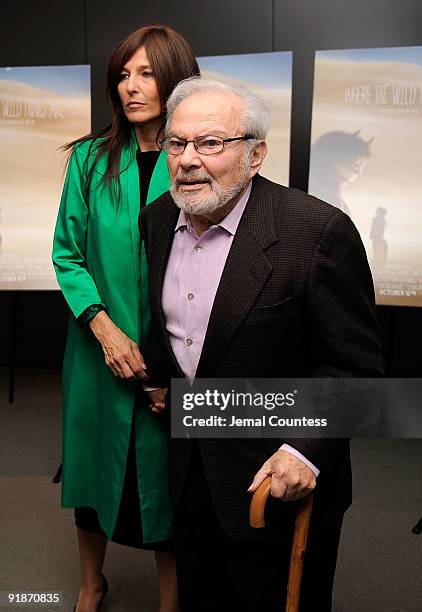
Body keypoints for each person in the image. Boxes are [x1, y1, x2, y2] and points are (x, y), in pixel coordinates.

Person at [139, 78, 384, 612]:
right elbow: (182, 327)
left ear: (256, 155)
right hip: (189, 466)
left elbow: (356, 370)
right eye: (176, 143)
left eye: (211, 143)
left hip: (276, 476)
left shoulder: (317, 231)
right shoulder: (157, 219)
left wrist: (304, 451)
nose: (187, 160)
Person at [52, 25, 199, 612]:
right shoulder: (90, 159)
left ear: (176, 78)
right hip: (96, 347)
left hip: (175, 348)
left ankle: (172, 598)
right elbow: (68, 252)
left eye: (146, 73)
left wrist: (166, 357)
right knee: (89, 470)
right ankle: (92, 584)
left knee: (170, 476)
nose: (130, 87)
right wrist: (104, 329)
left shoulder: (194, 155)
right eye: (122, 74)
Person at [309, 130, 372, 217]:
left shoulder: (333, 197)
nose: (358, 172)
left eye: (362, 167)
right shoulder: (322, 198)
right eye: (355, 164)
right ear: (331, 159)